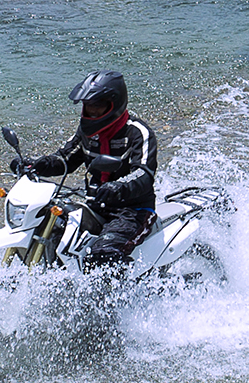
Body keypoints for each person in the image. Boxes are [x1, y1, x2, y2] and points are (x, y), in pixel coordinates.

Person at [13, 70, 158, 271]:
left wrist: (118, 187)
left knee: (102, 254)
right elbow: (64, 160)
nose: (92, 112)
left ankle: (123, 299)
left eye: (97, 107)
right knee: (52, 230)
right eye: (88, 107)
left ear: (114, 104)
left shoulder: (137, 132)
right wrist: (35, 165)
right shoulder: (86, 133)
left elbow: (143, 173)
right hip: (95, 205)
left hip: (133, 211)